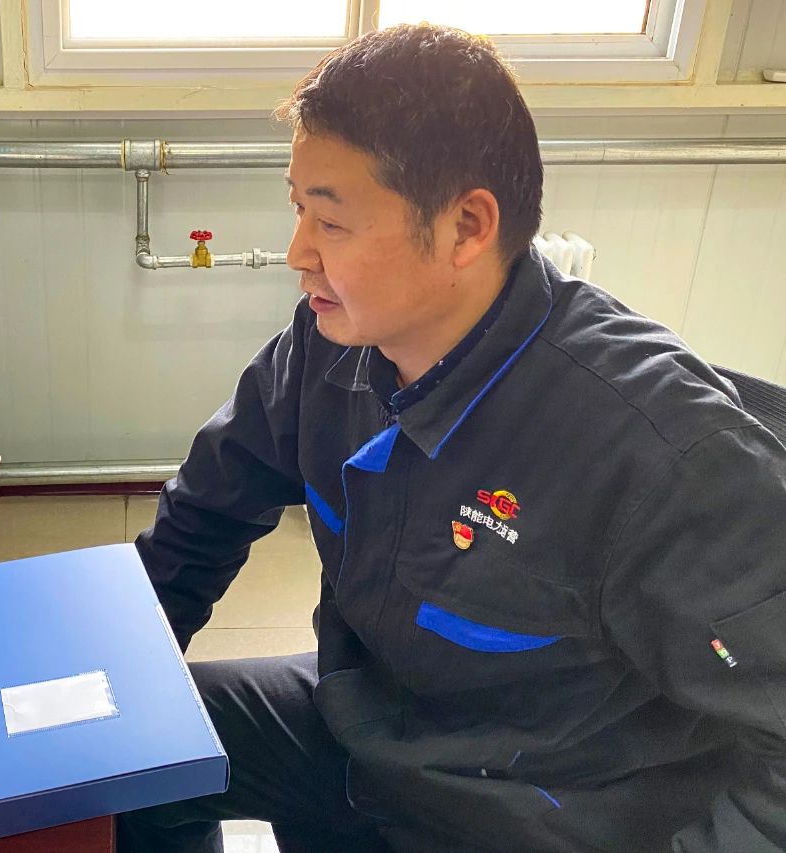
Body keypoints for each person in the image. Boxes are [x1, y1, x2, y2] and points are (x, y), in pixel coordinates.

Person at [120, 24, 786, 853]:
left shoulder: (663, 454)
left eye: (331, 222)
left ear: (467, 226)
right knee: (132, 764)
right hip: (366, 726)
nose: (297, 253)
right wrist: (105, 686)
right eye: (298, 209)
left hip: (534, 806)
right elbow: (202, 517)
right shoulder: (330, 349)